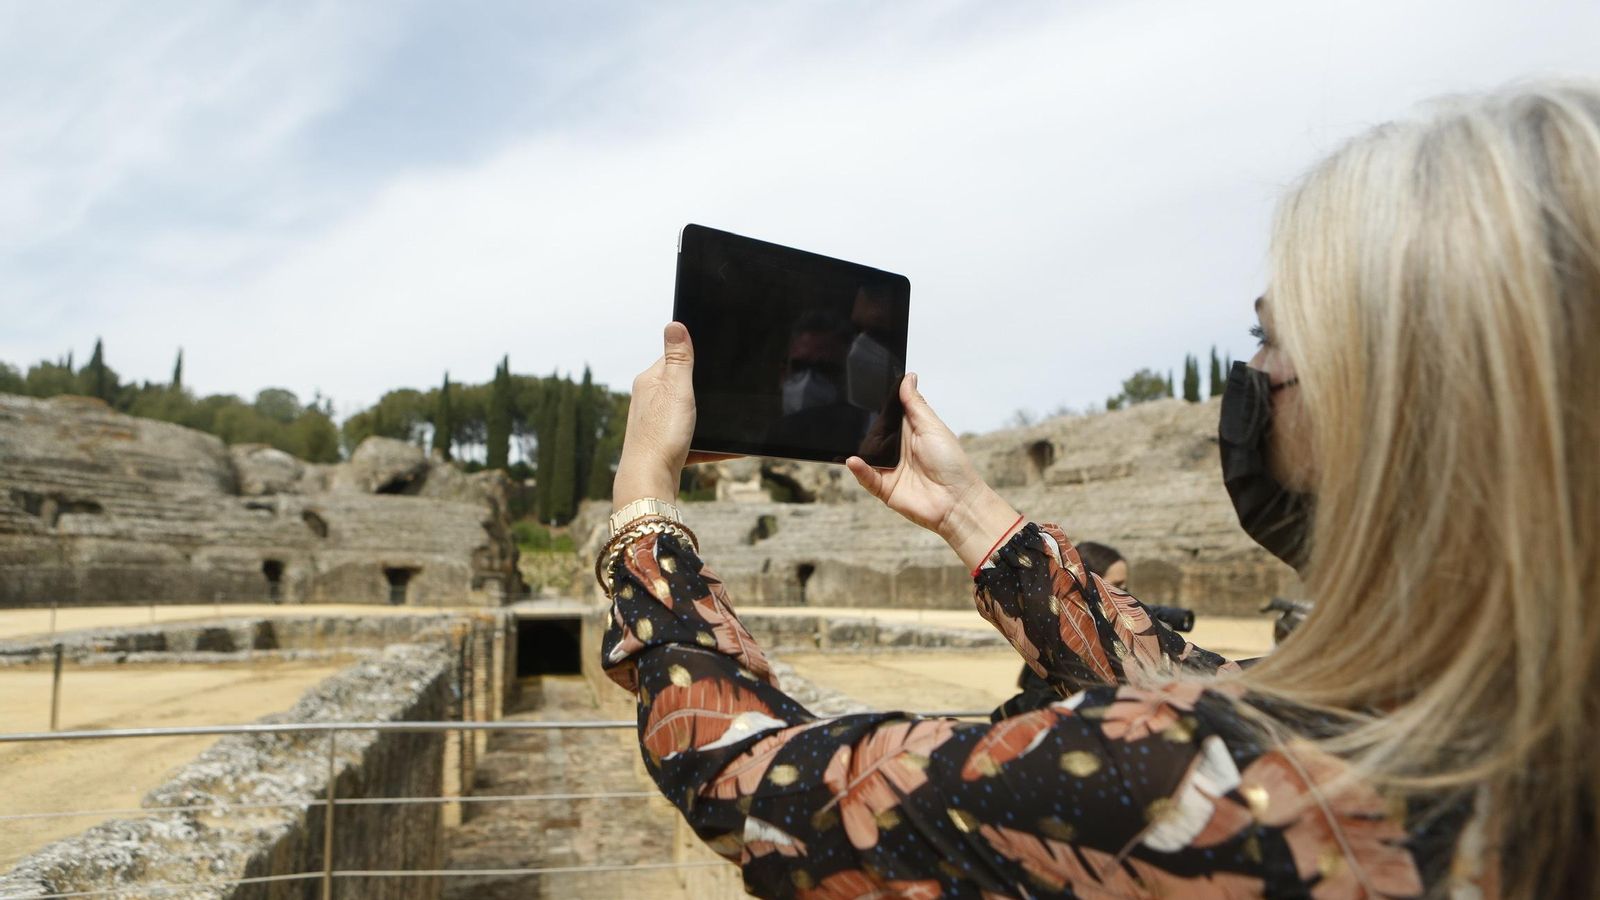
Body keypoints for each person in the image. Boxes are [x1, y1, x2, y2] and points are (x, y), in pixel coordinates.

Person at [598, 84, 1598, 898]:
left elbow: (753, 783)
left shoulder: (1212, 787)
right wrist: (972, 516)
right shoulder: (1515, 733)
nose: (1254, 378)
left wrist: (644, 509)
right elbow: (1183, 672)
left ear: (1389, 405)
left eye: (1270, 339)